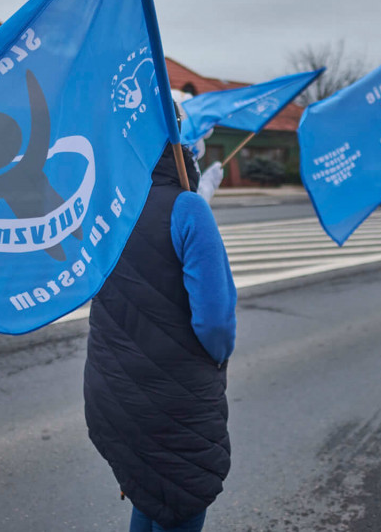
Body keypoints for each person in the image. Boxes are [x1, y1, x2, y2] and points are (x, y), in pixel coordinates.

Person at [84, 142, 237, 532]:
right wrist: (217, 360)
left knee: (151, 492)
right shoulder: (187, 207)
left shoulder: (109, 205)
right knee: (180, 496)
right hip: (172, 399)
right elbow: (215, 324)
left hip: (111, 389)